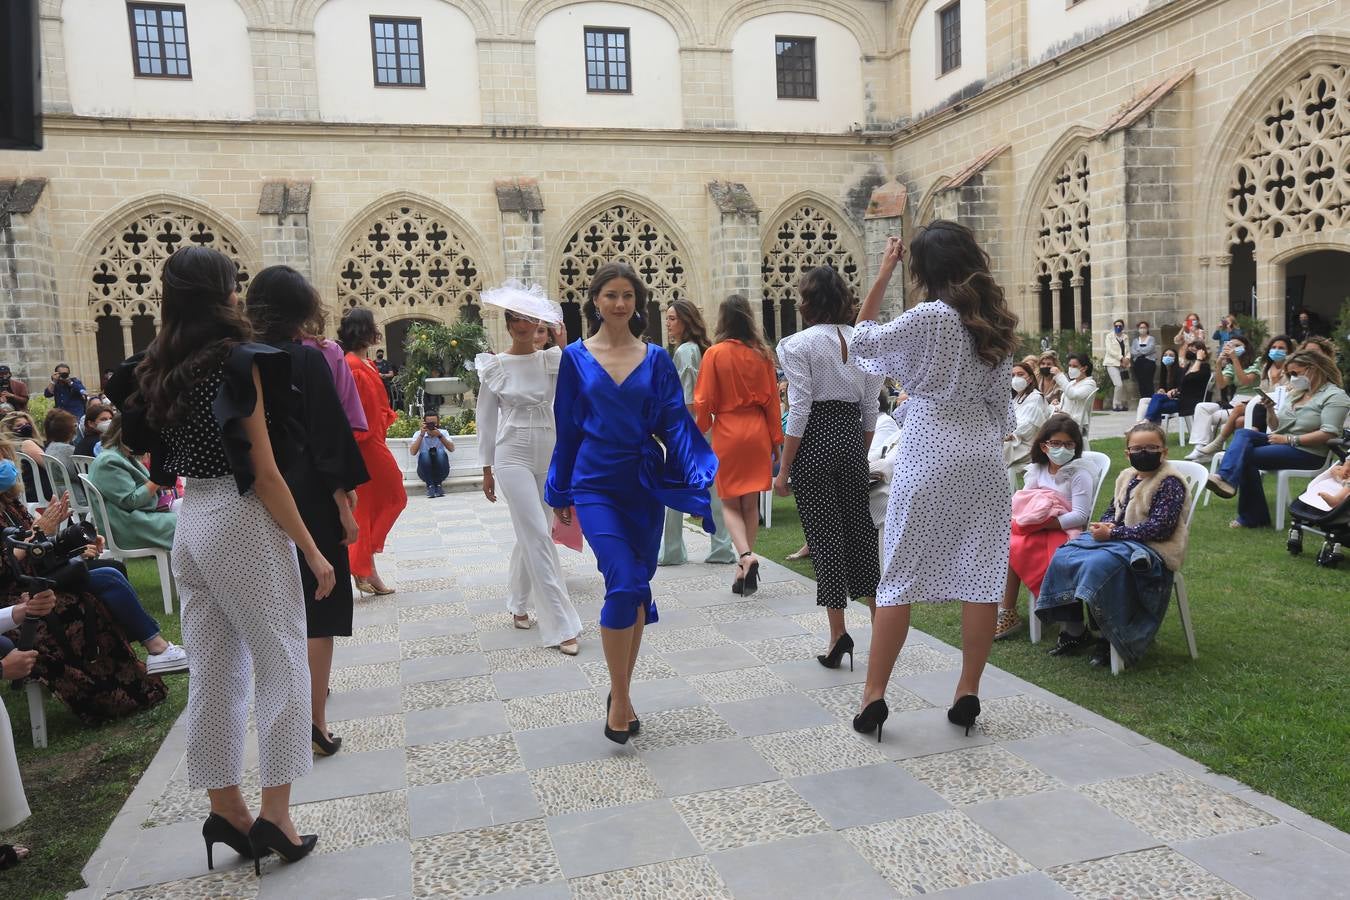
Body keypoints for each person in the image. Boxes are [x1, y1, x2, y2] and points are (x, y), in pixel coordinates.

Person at [128, 246, 331, 872]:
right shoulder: (238, 362)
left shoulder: (164, 363)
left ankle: (227, 808)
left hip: (192, 520)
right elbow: (265, 473)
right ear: (223, 292)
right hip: (242, 517)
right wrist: (315, 552)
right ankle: (276, 816)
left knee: (215, 666)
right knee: (282, 664)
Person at [849, 221, 1018, 740]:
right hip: (982, 455)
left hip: (928, 449)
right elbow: (1004, 414)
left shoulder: (929, 316)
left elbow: (861, 340)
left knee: (898, 575)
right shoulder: (996, 321)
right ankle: (967, 691)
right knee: (981, 576)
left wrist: (881, 273)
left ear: (923, 269)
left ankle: (874, 696)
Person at [546, 263, 717, 744]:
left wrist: (696, 478)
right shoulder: (574, 359)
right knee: (622, 583)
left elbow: (675, 425)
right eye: (610, 295)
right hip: (595, 484)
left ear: (637, 303)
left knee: (637, 584)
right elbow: (569, 427)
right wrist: (559, 489)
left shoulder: (658, 358)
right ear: (595, 301)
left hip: (642, 485)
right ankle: (619, 700)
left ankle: (621, 689)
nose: (620, 304)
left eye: (627, 296)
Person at [246, 265, 370, 758]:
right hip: (309, 497)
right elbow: (326, 439)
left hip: (253, 498)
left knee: (275, 613)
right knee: (320, 609)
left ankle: (282, 719)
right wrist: (343, 502)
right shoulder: (307, 361)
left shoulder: (234, 360)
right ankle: (314, 723)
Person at [773, 266, 881, 666]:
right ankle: (879, 622)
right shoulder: (866, 344)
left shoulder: (796, 344)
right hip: (852, 437)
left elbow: (799, 408)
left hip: (816, 439)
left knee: (824, 539)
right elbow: (871, 408)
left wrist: (784, 469)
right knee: (860, 532)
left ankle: (838, 634)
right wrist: (859, 449)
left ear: (806, 301)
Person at [476, 283, 583, 655]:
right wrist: (486, 467)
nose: (522, 325)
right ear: (507, 325)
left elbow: (580, 387)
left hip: (549, 452)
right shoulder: (494, 366)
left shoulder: (554, 360)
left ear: (541, 324)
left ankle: (519, 605)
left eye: (528, 320)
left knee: (532, 531)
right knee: (538, 533)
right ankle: (561, 624)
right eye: (515, 320)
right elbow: (486, 419)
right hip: (512, 454)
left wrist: (564, 343)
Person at [1037, 421, 1190, 667]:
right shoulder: (1127, 476)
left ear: (1164, 451)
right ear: (1127, 453)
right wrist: (1106, 525)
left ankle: (1112, 637)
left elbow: (1161, 528)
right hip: (1122, 540)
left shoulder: (1170, 482)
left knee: (1100, 565)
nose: (1144, 453)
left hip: (1151, 550)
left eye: (1152, 447)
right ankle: (1074, 630)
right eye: (1137, 448)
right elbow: (1112, 512)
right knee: (1065, 554)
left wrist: (1114, 534)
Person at [694, 296, 782, 595]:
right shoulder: (763, 354)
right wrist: (776, 442)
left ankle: (744, 556)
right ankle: (744, 565)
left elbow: (704, 401)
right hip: (757, 429)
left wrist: (698, 430)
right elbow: (773, 403)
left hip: (729, 429)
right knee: (750, 502)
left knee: (728, 500)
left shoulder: (714, 354)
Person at [1206, 349, 1350, 527]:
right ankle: (1225, 479)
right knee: (1243, 434)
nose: (1292, 378)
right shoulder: (1297, 393)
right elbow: (1276, 427)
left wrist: (1290, 440)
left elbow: (1329, 433)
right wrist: (1269, 410)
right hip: (1282, 442)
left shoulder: (1335, 396)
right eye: (1289, 374)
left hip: (1308, 453)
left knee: (1245, 456)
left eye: (1295, 373)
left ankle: (1246, 507)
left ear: (1313, 369)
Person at [996, 415, 1093, 640]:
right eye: (1056, 443)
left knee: (1017, 546)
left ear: (1076, 446)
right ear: (1044, 446)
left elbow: (1080, 515)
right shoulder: (1038, 469)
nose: (1062, 449)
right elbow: (1026, 502)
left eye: (1069, 444)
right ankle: (1007, 610)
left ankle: (1018, 609)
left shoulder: (1079, 473)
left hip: (1063, 530)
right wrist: (1032, 521)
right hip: (1037, 527)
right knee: (1009, 544)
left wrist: (1046, 523)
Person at [658, 299, 735, 566]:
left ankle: (673, 550)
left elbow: (689, 398)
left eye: (671, 319)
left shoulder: (686, 352)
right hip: (704, 425)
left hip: (690, 426)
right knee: (713, 488)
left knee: (674, 488)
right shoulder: (700, 349)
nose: (667, 324)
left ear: (685, 321)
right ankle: (721, 548)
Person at [340, 308, 408, 596]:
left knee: (373, 506)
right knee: (393, 497)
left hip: (371, 441)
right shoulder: (354, 365)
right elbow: (359, 414)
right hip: (366, 444)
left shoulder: (361, 363)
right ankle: (361, 564)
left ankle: (364, 565)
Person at [86, 416, 178, 551]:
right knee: (187, 522)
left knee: (191, 510)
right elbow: (131, 500)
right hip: (125, 527)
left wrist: (161, 480)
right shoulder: (109, 462)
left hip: (133, 517)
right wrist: (157, 479)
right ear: (125, 434)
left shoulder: (120, 456)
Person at [1187, 334, 1260, 461]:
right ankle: (1199, 447)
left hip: (1250, 402)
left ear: (1246, 348)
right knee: (1202, 407)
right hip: (1234, 403)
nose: (1233, 348)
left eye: (1237, 346)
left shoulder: (1256, 362)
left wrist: (1234, 359)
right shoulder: (1231, 366)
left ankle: (1207, 451)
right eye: (1231, 346)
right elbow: (1221, 384)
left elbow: (1246, 381)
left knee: (1210, 416)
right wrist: (1219, 365)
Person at [1003, 361, 1052, 493]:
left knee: (993, 453)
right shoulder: (1016, 398)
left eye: (1020, 374)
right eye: (1012, 375)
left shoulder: (1035, 397)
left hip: (1027, 447)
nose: (1016, 378)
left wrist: (1009, 435)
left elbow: (1027, 427)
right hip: (1015, 443)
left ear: (1030, 378)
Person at [1143, 340, 1211, 424]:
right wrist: (1175, 390)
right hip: (1179, 399)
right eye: (1189, 350)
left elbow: (1190, 377)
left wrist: (1199, 359)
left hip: (1189, 403)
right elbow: (1183, 385)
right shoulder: (1188, 366)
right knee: (1156, 398)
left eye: (1194, 350)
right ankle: (1146, 424)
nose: (1190, 352)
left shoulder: (1204, 367)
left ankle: (1145, 425)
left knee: (1154, 404)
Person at [1, 411, 51, 504]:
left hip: (25, 496)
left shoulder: (6, 450)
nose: (25, 427)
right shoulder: (27, 444)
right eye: (19, 425)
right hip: (40, 494)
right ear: (10, 430)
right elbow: (51, 466)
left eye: (27, 424)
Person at [1051, 352, 1099, 445]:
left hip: (1075, 424)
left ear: (1084, 368)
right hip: (1062, 420)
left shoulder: (1090, 383)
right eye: (1069, 365)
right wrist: (1057, 405)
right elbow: (1068, 402)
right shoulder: (1072, 383)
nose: (1071, 368)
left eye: (1074, 366)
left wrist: (1059, 376)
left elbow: (1073, 395)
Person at [410, 412, 455, 498]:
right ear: (424, 423)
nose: (431, 426)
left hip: (442, 472)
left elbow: (452, 449)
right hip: (424, 472)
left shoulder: (443, 433)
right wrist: (421, 435)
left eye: (433, 423)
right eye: (429, 424)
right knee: (424, 453)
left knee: (441, 452)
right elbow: (412, 452)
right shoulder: (418, 434)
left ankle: (438, 484)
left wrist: (440, 436)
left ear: (438, 423)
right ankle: (430, 485)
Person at [1102, 319, 1132, 411]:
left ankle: (1122, 404)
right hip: (1112, 363)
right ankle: (1116, 405)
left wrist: (1127, 358)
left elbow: (1127, 350)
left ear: (1123, 327)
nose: (1118, 327)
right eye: (1116, 326)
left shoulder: (1125, 337)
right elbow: (1109, 350)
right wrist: (1121, 358)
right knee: (1118, 384)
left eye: (1120, 326)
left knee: (1124, 384)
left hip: (1123, 364)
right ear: (1114, 327)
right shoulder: (1109, 336)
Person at [1131, 321, 1159, 398]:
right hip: (1138, 363)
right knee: (1141, 382)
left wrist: (1139, 350)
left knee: (1148, 382)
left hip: (1149, 362)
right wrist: (1143, 351)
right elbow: (1133, 352)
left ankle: (1150, 399)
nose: (1142, 329)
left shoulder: (1151, 339)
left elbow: (1150, 349)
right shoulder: (1135, 340)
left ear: (1147, 329)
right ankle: (1143, 399)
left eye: (1144, 327)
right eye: (1141, 328)